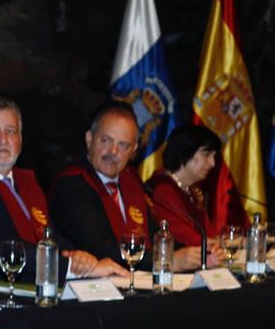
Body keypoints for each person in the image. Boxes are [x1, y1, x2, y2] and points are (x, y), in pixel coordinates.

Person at [0, 96, 126, 283]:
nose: (3, 140)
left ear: (20, 139)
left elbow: (48, 233)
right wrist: (73, 267)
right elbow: (4, 247)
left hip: (39, 290)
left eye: (11, 131)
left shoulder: (27, 182)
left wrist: (78, 256)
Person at [50, 102, 218, 272]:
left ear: (134, 150)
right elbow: (100, 249)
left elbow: (154, 236)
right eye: (106, 140)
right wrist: (166, 260)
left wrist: (196, 254)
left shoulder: (131, 183)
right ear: (89, 139)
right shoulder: (72, 184)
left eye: (123, 145)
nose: (113, 152)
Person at [145, 124, 224, 254]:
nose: (212, 163)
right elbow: (184, 237)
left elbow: (210, 233)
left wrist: (233, 241)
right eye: (207, 154)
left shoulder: (189, 190)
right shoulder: (163, 189)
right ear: (186, 151)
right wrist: (220, 243)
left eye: (214, 156)